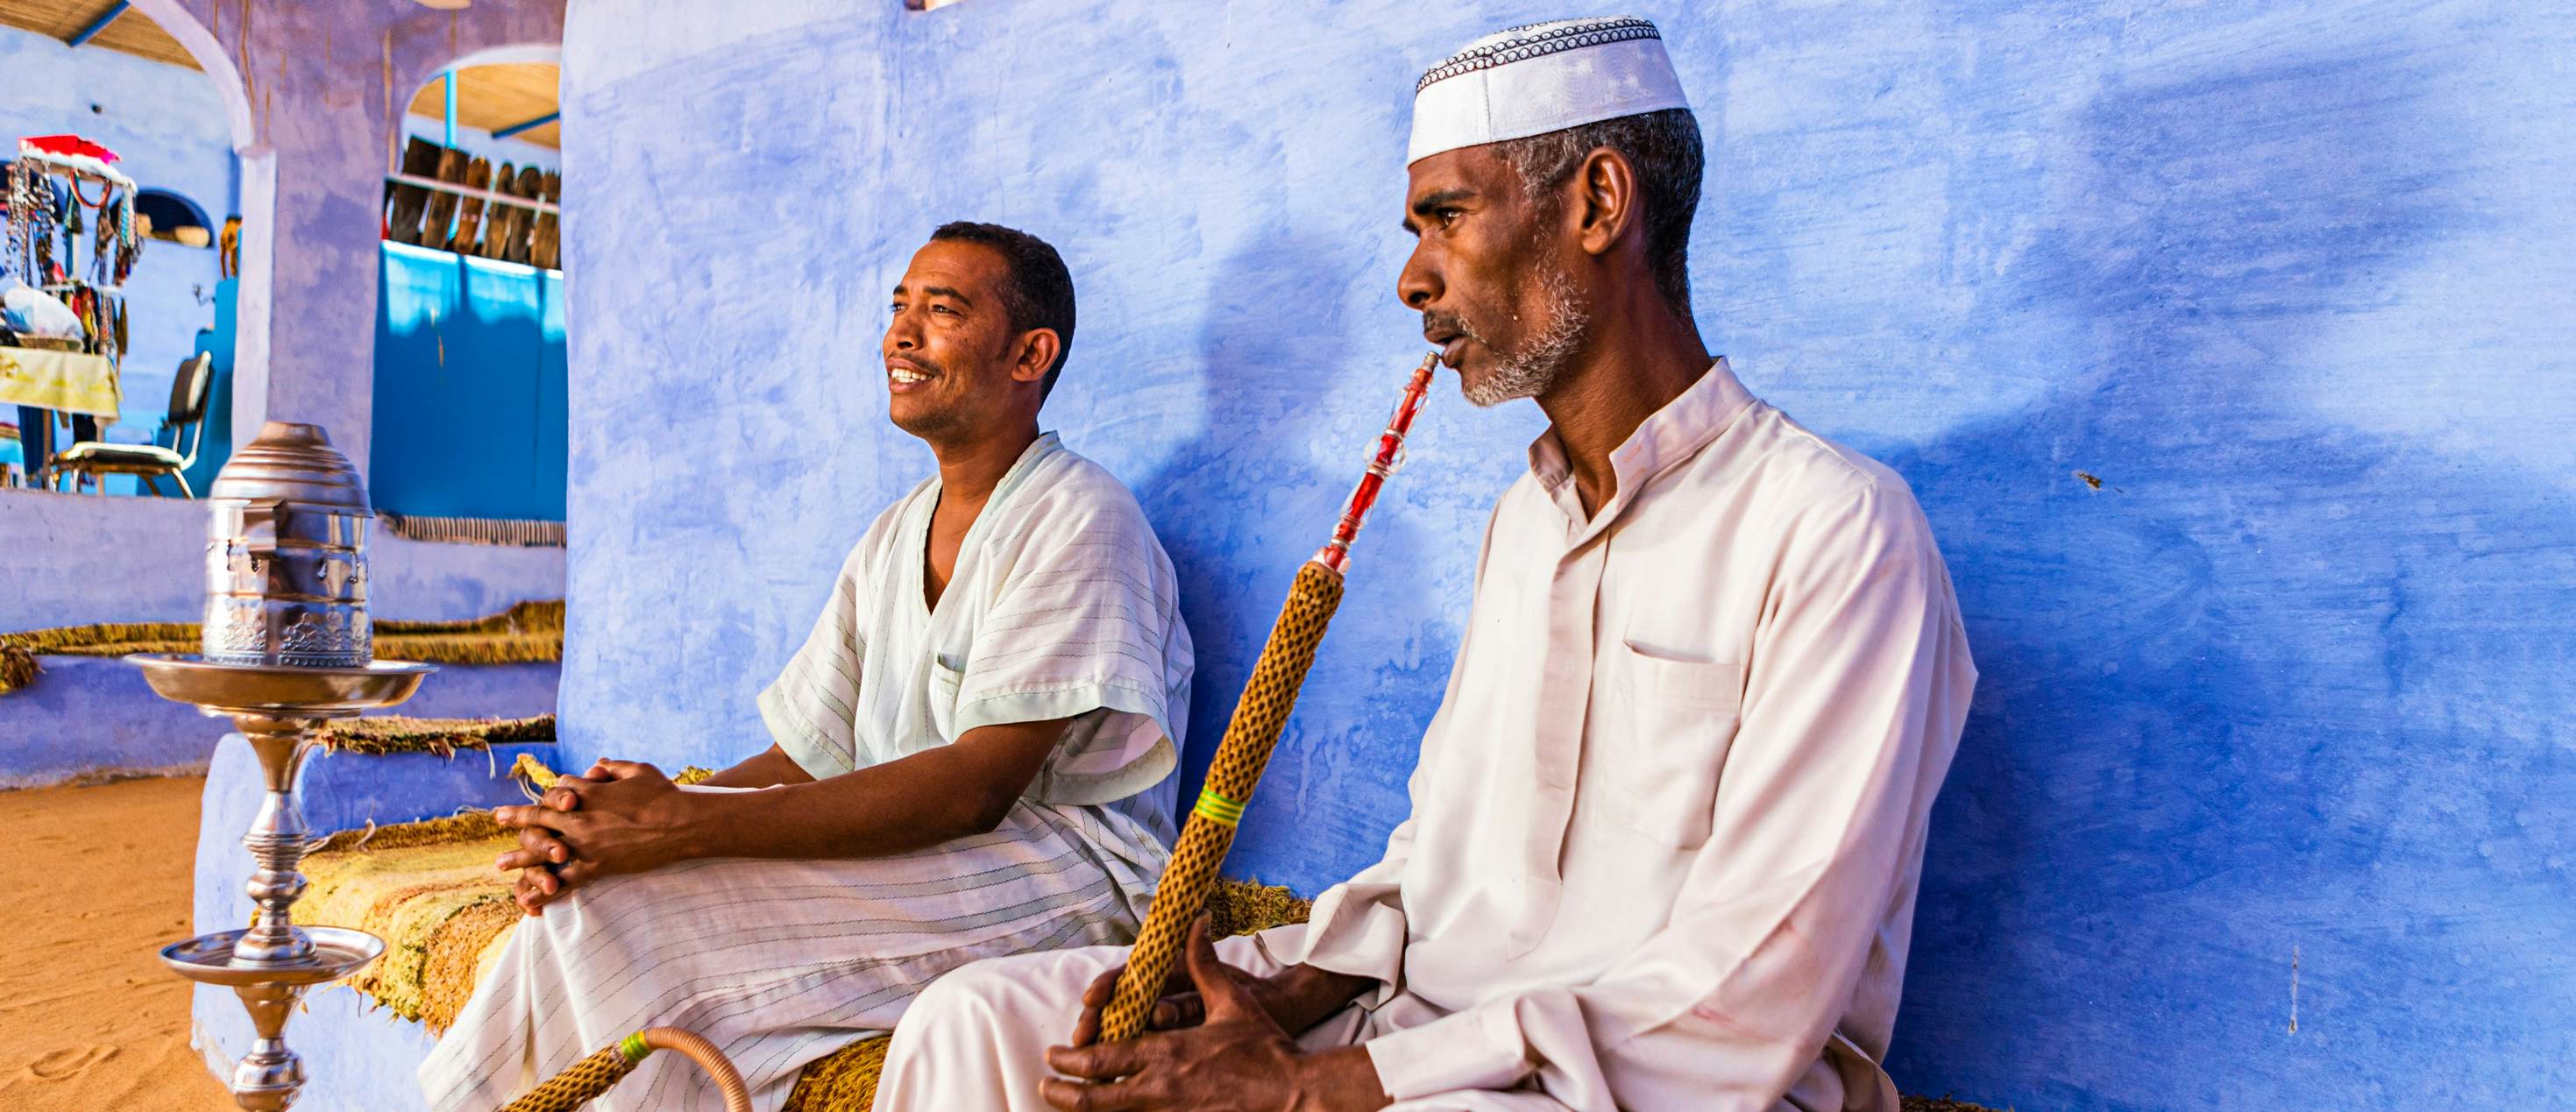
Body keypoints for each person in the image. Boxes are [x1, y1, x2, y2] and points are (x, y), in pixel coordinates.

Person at [874, 18, 1976, 1111]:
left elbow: (1751, 996)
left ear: (1596, 203)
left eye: (1445, 218)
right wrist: (1281, 999)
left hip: (1631, 1084)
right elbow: (1437, 860)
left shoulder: (1835, 530)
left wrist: (1316, 1090)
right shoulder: (1523, 526)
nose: (1413, 280)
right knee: (977, 1020)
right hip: (1420, 1024)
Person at [419, 222, 1196, 1112]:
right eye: (898, 306)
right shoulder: (891, 536)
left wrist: (679, 826)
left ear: (1030, 354)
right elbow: (803, 758)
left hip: (1056, 873)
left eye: (939, 311)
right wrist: (615, 825)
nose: (899, 335)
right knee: (587, 899)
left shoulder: (1081, 517)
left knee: (629, 922)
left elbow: (975, 789)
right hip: (930, 856)